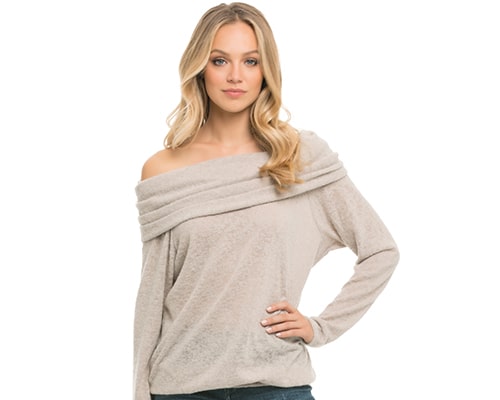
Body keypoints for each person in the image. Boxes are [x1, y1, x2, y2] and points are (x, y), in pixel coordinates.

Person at [133, 2, 399, 400]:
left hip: (275, 386)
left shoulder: (300, 158)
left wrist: (320, 327)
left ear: (266, 70)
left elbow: (381, 251)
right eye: (219, 60)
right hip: (179, 388)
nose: (235, 75)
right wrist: (139, 392)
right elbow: (152, 295)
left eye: (251, 61)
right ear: (200, 68)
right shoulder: (162, 170)